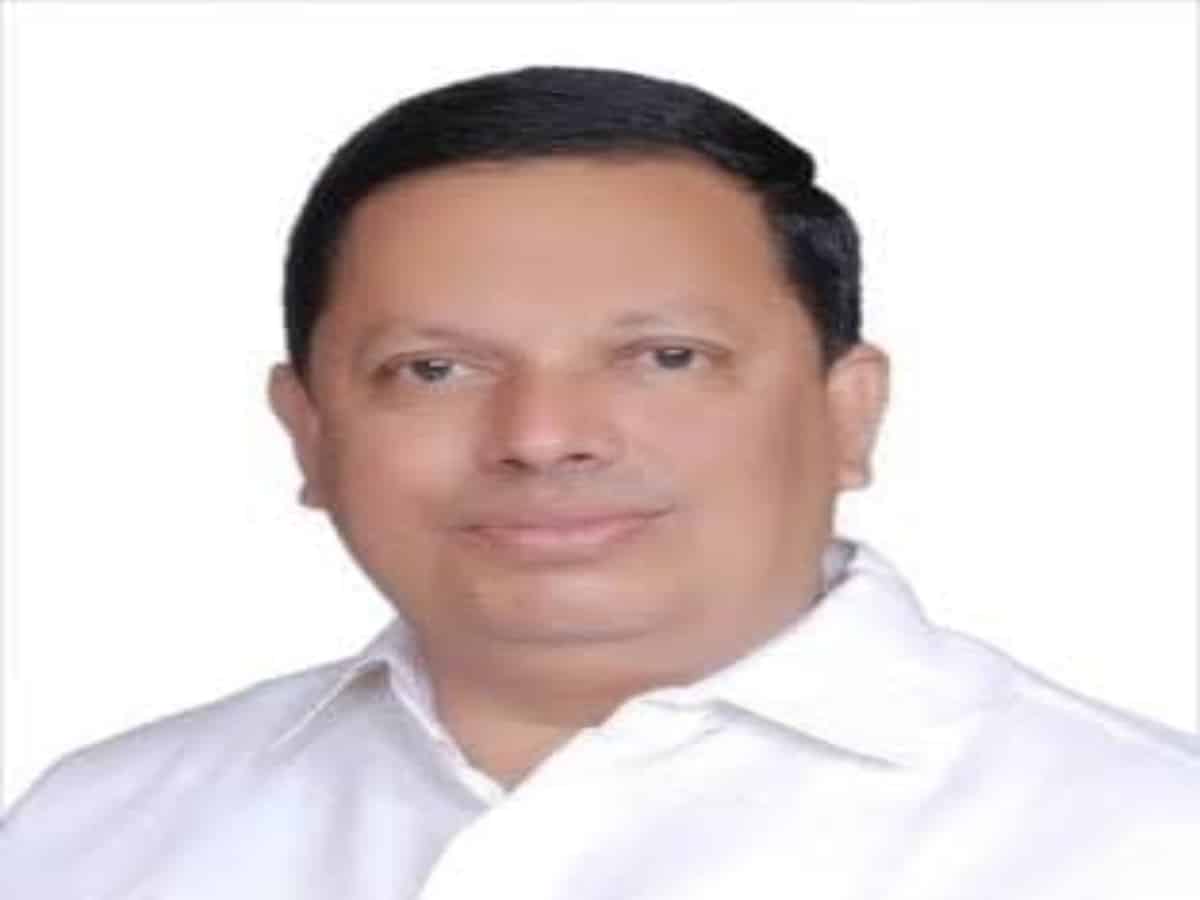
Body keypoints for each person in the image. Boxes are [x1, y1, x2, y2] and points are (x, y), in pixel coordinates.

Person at [2, 64, 1197, 899]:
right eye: (435, 369)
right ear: (308, 432)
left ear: (848, 411)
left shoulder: (1145, 842)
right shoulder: (90, 829)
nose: (542, 436)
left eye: (665, 358)